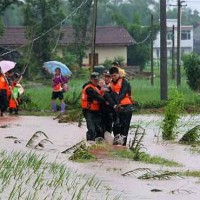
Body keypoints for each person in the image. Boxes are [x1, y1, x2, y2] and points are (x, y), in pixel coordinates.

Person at [109, 66, 134, 146]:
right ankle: (117, 144)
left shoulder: (125, 81)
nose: (113, 77)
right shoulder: (111, 84)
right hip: (117, 108)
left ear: (118, 74)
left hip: (127, 107)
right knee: (116, 125)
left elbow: (122, 94)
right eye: (112, 76)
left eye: (115, 76)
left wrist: (116, 103)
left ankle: (123, 146)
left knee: (125, 127)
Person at [81, 72, 107, 141]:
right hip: (88, 111)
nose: (96, 81)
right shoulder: (89, 89)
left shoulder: (96, 87)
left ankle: (98, 145)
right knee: (91, 129)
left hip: (96, 111)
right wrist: (106, 101)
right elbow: (98, 98)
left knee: (99, 129)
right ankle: (89, 143)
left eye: (97, 80)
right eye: (94, 80)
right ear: (91, 79)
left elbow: (104, 92)